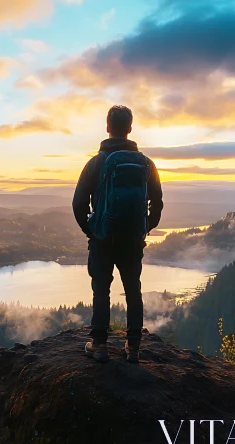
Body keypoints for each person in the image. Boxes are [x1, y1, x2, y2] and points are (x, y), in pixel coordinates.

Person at [72, 105, 163, 363]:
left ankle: (100, 345)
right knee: (133, 290)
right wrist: (143, 228)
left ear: (108, 127)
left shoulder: (95, 163)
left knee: (101, 289)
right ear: (130, 129)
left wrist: (92, 231)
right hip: (132, 240)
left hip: (103, 239)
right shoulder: (146, 164)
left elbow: (78, 204)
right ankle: (133, 347)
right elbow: (157, 203)